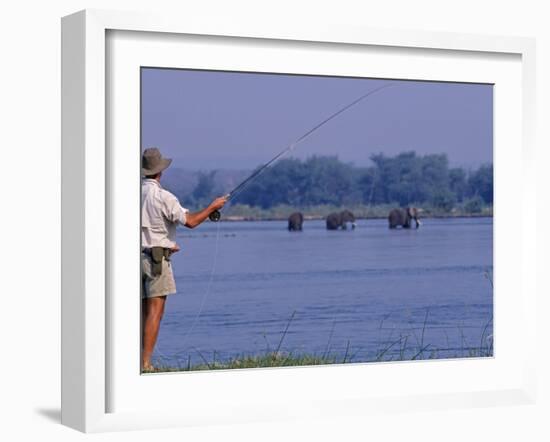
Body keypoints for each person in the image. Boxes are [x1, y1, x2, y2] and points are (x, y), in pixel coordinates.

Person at [140, 147, 227, 372]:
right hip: (157, 263)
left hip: (136, 258)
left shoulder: (134, 194)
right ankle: (145, 364)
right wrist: (212, 207)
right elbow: (191, 221)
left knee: (140, 312)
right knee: (154, 312)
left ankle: (136, 362)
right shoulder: (163, 197)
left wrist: (168, 244)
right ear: (160, 172)